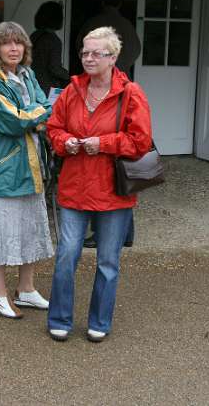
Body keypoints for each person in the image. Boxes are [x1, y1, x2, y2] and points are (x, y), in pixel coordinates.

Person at [45, 26, 153, 342]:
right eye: (84, 53)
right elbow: (54, 129)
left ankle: (99, 322)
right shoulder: (72, 90)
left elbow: (141, 141)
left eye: (96, 53)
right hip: (75, 187)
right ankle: (60, 319)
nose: (88, 58)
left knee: (107, 261)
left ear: (113, 57)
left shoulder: (131, 93)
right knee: (66, 256)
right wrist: (68, 143)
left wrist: (102, 143)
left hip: (112, 192)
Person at [0, 21, 54, 319]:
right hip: (2, 167)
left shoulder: (27, 75)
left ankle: (26, 289)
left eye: (19, 43)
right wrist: (37, 119)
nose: (14, 48)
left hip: (30, 165)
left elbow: (44, 105)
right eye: (7, 43)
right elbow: (13, 119)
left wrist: (36, 116)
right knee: (0, 231)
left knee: (29, 227)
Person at [76, 0, 142, 249]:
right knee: (124, 171)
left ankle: (109, 232)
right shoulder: (127, 26)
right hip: (120, 86)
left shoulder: (92, 26)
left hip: (109, 96)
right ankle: (125, 233)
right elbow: (135, 49)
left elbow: (81, 48)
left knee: (105, 173)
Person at [30, 1, 69, 94]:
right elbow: (54, 68)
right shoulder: (53, 41)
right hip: (47, 89)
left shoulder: (34, 36)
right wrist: (68, 76)